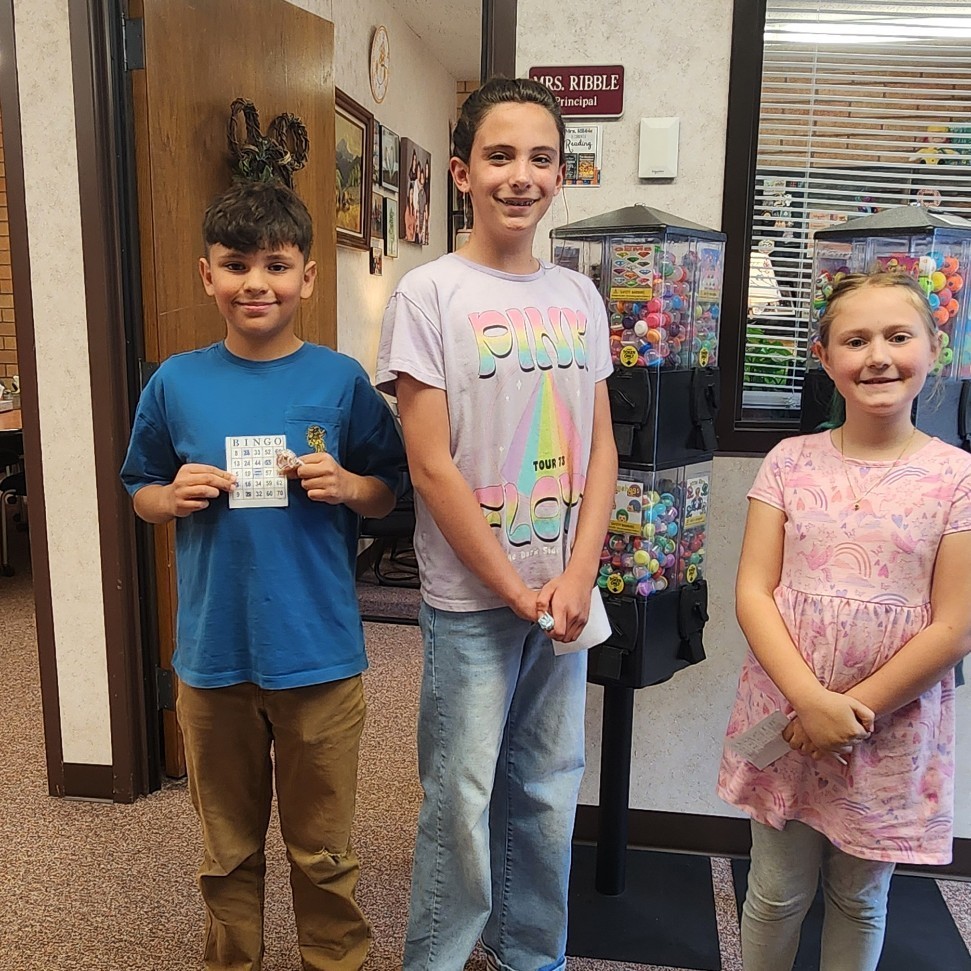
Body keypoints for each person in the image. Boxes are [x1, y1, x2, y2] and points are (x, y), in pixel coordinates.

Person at [120, 179, 406, 971]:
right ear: (206, 274)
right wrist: (169, 496)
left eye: (276, 265)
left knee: (323, 850)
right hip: (213, 656)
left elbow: (388, 490)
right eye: (236, 264)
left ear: (306, 277)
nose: (256, 282)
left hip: (318, 654)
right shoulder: (175, 382)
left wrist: (348, 484)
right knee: (226, 848)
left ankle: (334, 959)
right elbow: (140, 488)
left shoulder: (339, 380)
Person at [375, 77, 618, 971]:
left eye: (541, 158)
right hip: (473, 599)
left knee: (548, 788)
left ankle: (530, 954)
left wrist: (578, 573)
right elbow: (430, 465)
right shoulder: (428, 294)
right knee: (461, 795)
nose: (521, 175)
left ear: (561, 174)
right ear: (461, 172)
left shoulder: (580, 296)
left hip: (563, 594)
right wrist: (513, 586)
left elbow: (602, 450)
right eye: (500, 156)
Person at [718, 270, 971, 971]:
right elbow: (752, 592)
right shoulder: (788, 462)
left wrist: (848, 713)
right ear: (825, 358)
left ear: (934, 348)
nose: (877, 356)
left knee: (859, 897)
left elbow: (954, 626)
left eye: (897, 336)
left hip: (889, 728)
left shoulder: (957, 478)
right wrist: (809, 704)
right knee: (775, 891)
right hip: (786, 715)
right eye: (855, 341)